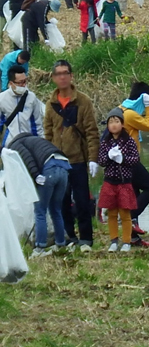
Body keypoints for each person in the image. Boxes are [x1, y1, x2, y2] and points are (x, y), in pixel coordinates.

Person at [44, 60, 98, 251]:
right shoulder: (50, 104)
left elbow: (92, 131)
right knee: (61, 202)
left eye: (65, 73)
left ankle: (86, 238)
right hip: (58, 161)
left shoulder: (83, 101)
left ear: (71, 75)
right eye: (58, 74)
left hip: (78, 159)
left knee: (83, 200)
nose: (62, 77)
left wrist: (93, 159)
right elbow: (48, 133)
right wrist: (47, 159)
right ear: (53, 78)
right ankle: (68, 236)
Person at [7, 132, 70, 256]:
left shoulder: (16, 145)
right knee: (56, 209)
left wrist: (36, 176)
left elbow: (28, 159)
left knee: (40, 210)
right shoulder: (34, 140)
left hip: (50, 168)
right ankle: (61, 244)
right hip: (64, 166)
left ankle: (39, 248)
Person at [97, 108, 140, 253]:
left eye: (116, 122)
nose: (114, 125)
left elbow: (135, 160)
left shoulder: (129, 141)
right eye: (111, 122)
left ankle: (126, 241)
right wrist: (109, 156)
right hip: (110, 181)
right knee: (112, 213)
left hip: (124, 182)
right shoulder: (105, 142)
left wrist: (123, 159)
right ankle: (113, 241)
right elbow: (101, 161)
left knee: (125, 213)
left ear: (122, 124)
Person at [121, 82, 149, 244]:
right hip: (130, 160)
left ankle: (132, 238)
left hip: (124, 160)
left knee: (134, 195)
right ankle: (131, 217)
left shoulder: (122, 108)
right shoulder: (129, 114)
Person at [0, 65, 44, 146]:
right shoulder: (2, 99)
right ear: (11, 83)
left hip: (29, 143)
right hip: (10, 144)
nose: (24, 85)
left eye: (25, 81)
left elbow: (37, 124)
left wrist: (40, 142)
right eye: (20, 82)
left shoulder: (31, 97)